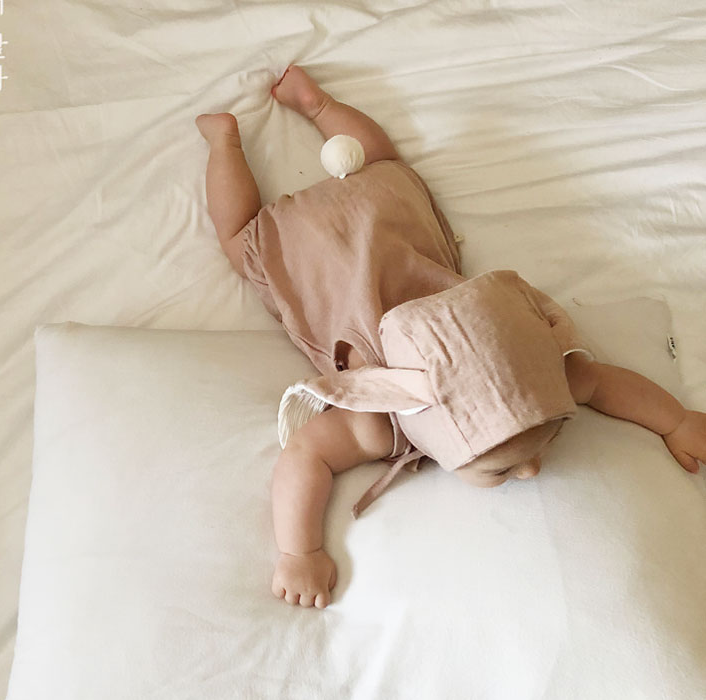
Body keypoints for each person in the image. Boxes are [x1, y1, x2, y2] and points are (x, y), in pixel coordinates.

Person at [196, 65, 706, 610]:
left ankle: (302, 111)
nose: (532, 470)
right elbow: (304, 456)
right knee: (240, 235)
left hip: (382, 205)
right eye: (501, 468)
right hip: (304, 247)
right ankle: (236, 138)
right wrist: (300, 552)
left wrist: (675, 421)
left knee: (381, 161)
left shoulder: (538, 368)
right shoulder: (383, 418)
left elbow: (599, 382)